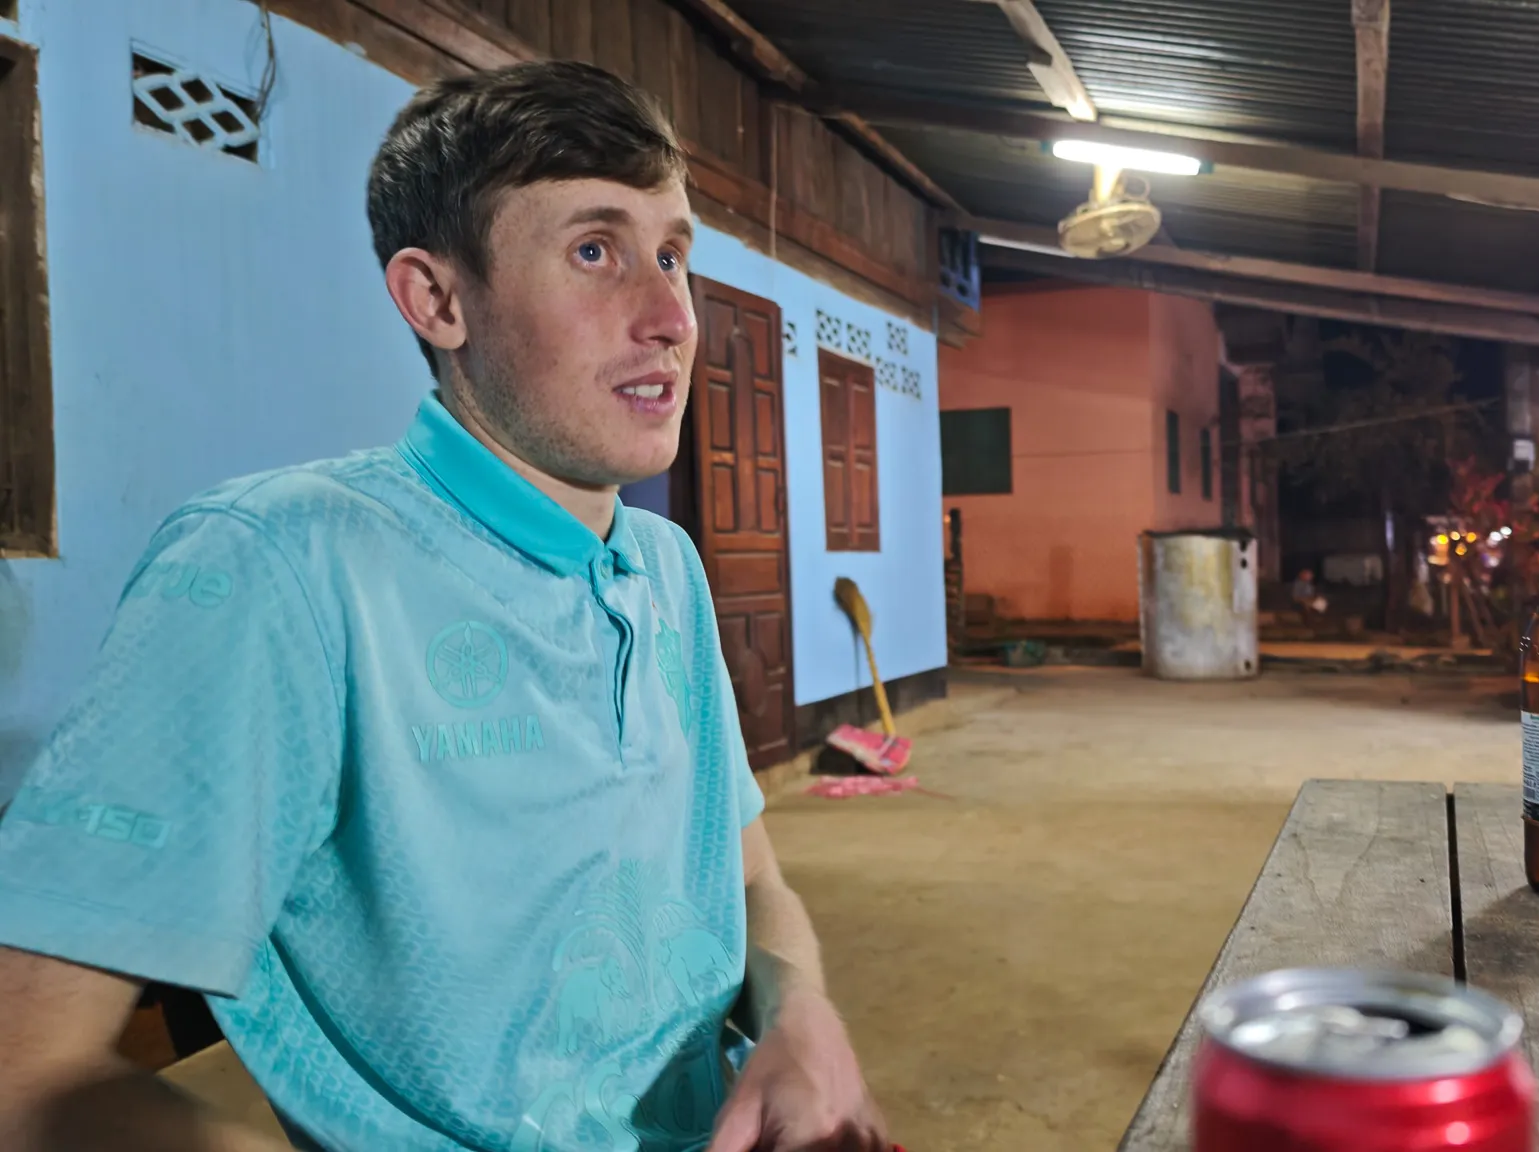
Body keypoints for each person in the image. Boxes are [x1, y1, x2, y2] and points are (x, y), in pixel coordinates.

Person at [0, 62, 884, 1152]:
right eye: (594, 252)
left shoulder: (664, 568)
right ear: (438, 298)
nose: (669, 317)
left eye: (672, 254)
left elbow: (753, 884)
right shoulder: (280, 564)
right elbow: (27, 1074)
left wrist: (801, 1017)